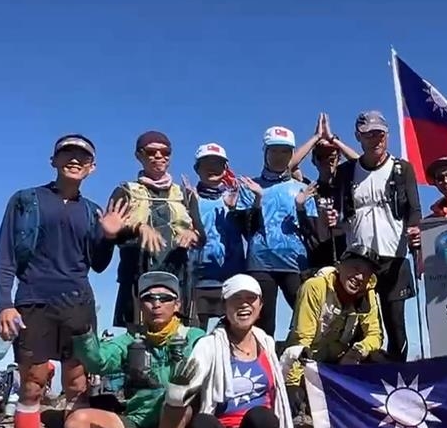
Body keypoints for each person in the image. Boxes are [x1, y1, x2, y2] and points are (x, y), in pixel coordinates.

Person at [0, 134, 127, 428]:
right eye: (67, 153)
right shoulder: (26, 200)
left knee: (77, 386)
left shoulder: (93, 211)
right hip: (33, 301)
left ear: (92, 167)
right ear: (53, 160)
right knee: (32, 384)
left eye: (82, 156)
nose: (74, 159)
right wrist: (4, 303)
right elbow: (5, 255)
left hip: (78, 303)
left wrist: (109, 236)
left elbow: (98, 264)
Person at [63, 271, 205, 428]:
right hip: (136, 423)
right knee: (76, 423)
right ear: (140, 305)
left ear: (178, 305)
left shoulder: (195, 338)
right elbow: (99, 362)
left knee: (178, 407)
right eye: (149, 298)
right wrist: (83, 332)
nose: (156, 304)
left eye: (165, 298)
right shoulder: (130, 340)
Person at [165, 274, 300, 428]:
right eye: (236, 298)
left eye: (251, 298)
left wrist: (290, 359)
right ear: (224, 305)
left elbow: (276, 387)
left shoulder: (266, 342)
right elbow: (185, 389)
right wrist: (177, 391)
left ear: (260, 305)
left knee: (263, 418)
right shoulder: (208, 345)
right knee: (201, 425)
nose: (244, 304)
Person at [325, 111, 421, 362]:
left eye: (379, 134)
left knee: (395, 325)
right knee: (357, 327)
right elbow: (339, 213)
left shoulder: (402, 169)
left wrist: (414, 229)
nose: (375, 140)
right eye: (368, 135)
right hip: (358, 259)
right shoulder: (346, 172)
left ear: (387, 135)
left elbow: (414, 210)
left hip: (394, 258)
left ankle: (399, 376)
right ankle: (360, 377)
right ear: (358, 137)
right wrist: (334, 219)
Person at [110, 131, 205, 331]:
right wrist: (138, 228)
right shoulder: (125, 192)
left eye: (165, 152)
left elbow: (202, 237)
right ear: (139, 155)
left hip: (178, 280)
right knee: (137, 344)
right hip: (136, 279)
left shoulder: (185, 195)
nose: (159, 156)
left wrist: (192, 234)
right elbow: (112, 234)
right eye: (151, 152)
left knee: (179, 341)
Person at [235, 125, 318, 338]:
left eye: (285, 151)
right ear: (265, 152)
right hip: (260, 263)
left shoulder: (302, 188)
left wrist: (300, 207)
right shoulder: (249, 186)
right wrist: (257, 199)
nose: (280, 156)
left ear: (292, 154)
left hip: (295, 264)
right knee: (264, 325)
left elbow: (312, 233)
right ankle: (264, 359)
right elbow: (246, 230)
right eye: (274, 151)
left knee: (308, 319)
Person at [282, 243, 384, 411]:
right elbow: (301, 340)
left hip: (340, 361)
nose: (360, 277)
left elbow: (375, 335)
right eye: (355, 268)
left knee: (378, 358)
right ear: (339, 266)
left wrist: (357, 350)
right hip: (309, 363)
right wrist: (292, 383)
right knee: (298, 400)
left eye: (366, 273)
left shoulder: (368, 293)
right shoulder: (314, 287)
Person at [187, 143, 247, 329]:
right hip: (196, 281)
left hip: (231, 281)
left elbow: (254, 232)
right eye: (206, 164)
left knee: (234, 337)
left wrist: (236, 210)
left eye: (217, 164)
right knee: (194, 338)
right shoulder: (187, 198)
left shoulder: (238, 197)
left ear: (225, 168)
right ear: (197, 168)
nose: (212, 168)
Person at [293, 113, 359, 271]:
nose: (327, 159)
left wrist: (333, 140)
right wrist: (316, 138)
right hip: (316, 261)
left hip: (346, 258)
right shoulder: (309, 188)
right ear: (314, 160)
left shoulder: (346, 184)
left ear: (339, 158)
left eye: (332, 155)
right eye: (321, 156)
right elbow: (290, 166)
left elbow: (362, 164)